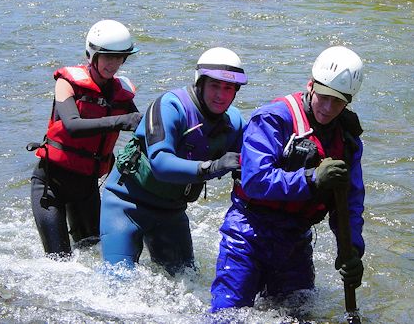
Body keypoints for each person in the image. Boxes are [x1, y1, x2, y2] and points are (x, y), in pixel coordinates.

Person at [210, 46, 366, 312]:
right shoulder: (272, 118)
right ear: (311, 86)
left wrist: (350, 250)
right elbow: (255, 180)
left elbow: (350, 202)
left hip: (295, 240)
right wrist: (312, 179)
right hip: (249, 233)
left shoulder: (348, 140)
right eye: (324, 97)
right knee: (229, 316)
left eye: (337, 101)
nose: (328, 108)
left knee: (299, 315)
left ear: (348, 102)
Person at [100, 47, 248, 275]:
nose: (221, 95)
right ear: (200, 83)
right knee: (118, 284)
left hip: (172, 213)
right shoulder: (170, 106)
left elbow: (250, 170)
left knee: (187, 281)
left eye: (228, 88)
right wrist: (213, 167)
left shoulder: (235, 123)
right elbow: (161, 163)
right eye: (214, 86)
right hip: (126, 205)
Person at [27, 19, 142, 258]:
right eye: (108, 57)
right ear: (92, 55)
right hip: (51, 186)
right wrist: (122, 121)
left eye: (120, 58)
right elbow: (73, 126)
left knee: (93, 253)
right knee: (60, 262)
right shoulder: (65, 83)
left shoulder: (121, 93)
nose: (114, 64)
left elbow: (140, 125)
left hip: (87, 188)